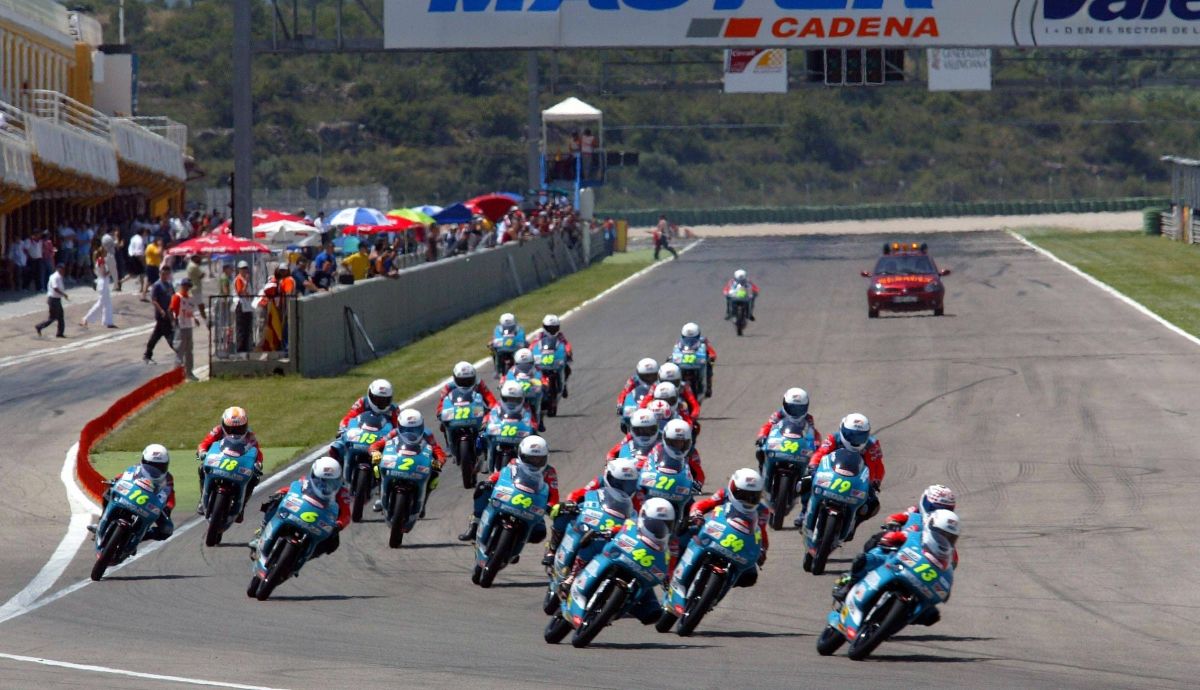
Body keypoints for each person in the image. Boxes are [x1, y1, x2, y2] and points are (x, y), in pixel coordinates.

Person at [831, 510, 961, 628]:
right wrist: (889, 538)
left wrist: (945, 588)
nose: (944, 539)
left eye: (949, 537)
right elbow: (894, 535)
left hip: (921, 581)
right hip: (897, 563)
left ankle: (892, 623)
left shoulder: (952, 555)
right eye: (941, 534)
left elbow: (948, 572)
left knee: (932, 616)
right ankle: (850, 584)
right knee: (863, 559)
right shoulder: (917, 532)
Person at [457, 434, 559, 545]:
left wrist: (550, 506)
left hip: (531, 507)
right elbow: (501, 474)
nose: (534, 462)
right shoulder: (514, 463)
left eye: (539, 459)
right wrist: (490, 481)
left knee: (539, 534)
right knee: (482, 488)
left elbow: (554, 494)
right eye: (530, 458)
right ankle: (475, 524)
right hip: (509, 496)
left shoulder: (550, 472)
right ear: (521, 455)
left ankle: (515, 544)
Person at [546, 456, 641, 569]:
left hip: (616, 526)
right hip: (594, 514)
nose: (624, 488)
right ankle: (552, 549)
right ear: (609, 477)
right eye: (619, 483)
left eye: (629, 485)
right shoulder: (600, 481)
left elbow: (638, 518)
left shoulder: (637, 495)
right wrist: (571, 503)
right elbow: (581, 493)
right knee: (563, 513)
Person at [799, 412, 884, 532]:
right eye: (851, 435)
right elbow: (820, 453)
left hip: (856, 480)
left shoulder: (872, 445)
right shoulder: (834, 438)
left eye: (860, 436)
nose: (855, 440)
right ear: (842, 430)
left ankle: (853, 524)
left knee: (873, 505)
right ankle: (804, 511)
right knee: (806, 481)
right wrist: (813, 466)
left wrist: (875, 482)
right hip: (831, 474)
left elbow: (877, 466)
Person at [249, 457, 350, 558]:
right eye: (322, 481)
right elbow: (294, 488)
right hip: (300, 508)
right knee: (276, 501)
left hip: (321, 520)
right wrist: (281, 492)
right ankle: (262, 531)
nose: (325, 487)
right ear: (314, 475)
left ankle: (303, 556)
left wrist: (338, 525)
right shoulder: (306, 480)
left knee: (333, 543)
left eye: (331, 482)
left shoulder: (343, 492)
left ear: (338, 481)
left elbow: (346, 513)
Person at [688, 468, 769, 587]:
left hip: (738, 545)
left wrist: (762, 550)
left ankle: (719, 588)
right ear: (733, 489)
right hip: (714, 534)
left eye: (753, 496)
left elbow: (762, 533)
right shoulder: (723, 494)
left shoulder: (763, 511)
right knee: (685, 535)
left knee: (750, 577)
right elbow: (704, 504)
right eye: (742, 495)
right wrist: (696, 514)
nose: (748, 500)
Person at [88, 444, 176, 542]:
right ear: (143, 461)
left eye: (160, 466)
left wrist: (168, 508)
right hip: (131, 495)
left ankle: (138, 538)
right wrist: (115, 480)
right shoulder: (136, 468)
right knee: (108, 493)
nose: (155, 470)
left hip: (152, 505)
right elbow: (124, 476)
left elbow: (170, 494)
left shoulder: (168, 479)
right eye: (150, 465)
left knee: (166, 530)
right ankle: (102, 523)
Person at [370, 409, 445, 516]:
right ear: (400, 426)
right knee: (376, 467)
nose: (411, 433)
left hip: (417, 463)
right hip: (396, 461)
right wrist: (375, 452)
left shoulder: (427, 434)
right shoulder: (394, 433)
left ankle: (422, 503)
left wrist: (439, 461)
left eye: (416, 429)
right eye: (406, 429)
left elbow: (438, 451)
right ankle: (381, 496)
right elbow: (377, 445)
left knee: (434, 475)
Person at [196, 406, 265, 517]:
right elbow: (203, 444)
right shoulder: (217, 430)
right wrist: (202, 453)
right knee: (201, 468)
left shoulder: (250, 435)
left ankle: (241, 506)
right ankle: (202, 498)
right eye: (231, 429)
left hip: (239, 463)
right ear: (224, 425)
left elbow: (258, 452)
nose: (235, 432)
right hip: (218, 460)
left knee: (254, 478)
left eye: (239, 429)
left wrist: (258, 464)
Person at [755, 387, 819, 470]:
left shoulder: (809, 419)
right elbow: (768, 425)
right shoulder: (778, 414)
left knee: (811, 465)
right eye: (792, 408)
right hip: (779, 441)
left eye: (800, 409)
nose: (796, 412)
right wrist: (762, 436)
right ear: (785, 404)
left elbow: (813, 432)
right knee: (760, 451)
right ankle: (762, 467)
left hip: (798, 446)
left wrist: (817, 443)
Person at [527, 314, 573, 397]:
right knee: (533, 371)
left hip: (556, 358)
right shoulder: (540, 335)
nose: (552, 330)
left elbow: (566, 344)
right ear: (545, 327)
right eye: (550, 328)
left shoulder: (560, 336)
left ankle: (564, 384)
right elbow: (534, 344)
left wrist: (568, 351)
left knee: (567, 370)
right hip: (543, 358)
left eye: (554, 328)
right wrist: (529, 351)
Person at [170, 277, 203, 381]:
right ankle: (177, 375)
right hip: (180, 327)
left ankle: (189, 372)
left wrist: (195, 319)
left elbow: (189, 311)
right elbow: (171, 310)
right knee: (180, 351)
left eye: (188, 286)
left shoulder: (189, 298)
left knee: (189, 351)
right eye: (186, 286)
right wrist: (173, 321)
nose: (187, 288)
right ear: (182, 286)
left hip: (188, 326)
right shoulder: (177, 297)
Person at [675, 322, 717, 398]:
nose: (689, 340)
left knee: (709, 364)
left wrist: (711, 356)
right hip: (683, 361)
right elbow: (676, 351)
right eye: (686, 338)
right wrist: (671, 358)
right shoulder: (679, 343)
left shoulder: (703, 341)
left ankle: (709, 387)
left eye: (693, 338)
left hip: (698, 360)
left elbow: (711, 350)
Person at [143, 266, 175, 364]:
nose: (165, 276)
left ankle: (147, 355)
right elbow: (154, 300)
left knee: (156, 335)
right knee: (170, 335)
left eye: (167, 274)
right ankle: (180, 353)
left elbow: (173, 297)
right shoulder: (157, 285)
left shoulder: (169, 285)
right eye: (163, 274)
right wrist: (161, 310)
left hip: (168, 314)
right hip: (161, 315)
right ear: (160, 274)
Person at [80, 246, 116, 329]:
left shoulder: (100, 260)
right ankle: (86, 318)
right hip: (102, 282)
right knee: (101, 302)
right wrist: (111, 270)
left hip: (104, 282)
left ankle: (108, 321)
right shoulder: (101, 260)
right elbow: (104, 273)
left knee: (108, 303)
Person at [35, 263, 69, 338]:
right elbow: (55, 288)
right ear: (58, 269)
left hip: (57, 299)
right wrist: (63, 294)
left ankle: (60, 333)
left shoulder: (59, 276)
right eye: (62, 269)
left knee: (60, 316)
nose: (63, 270)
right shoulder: (55, 277)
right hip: (53, 300)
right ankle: (39, 326)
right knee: (52, 318)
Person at [233, 261, 253, 354]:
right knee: (241, 328)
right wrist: (246, 283)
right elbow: (241, 292)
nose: (245, 270)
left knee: (247, 328)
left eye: (246, 268)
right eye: (243, 268)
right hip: (241, 305)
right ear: (239, 269)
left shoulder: (245, 280)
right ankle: (240, 349)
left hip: (247, 306)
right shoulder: (239, 279)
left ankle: (246, 348)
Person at [186, 254, 207, 320]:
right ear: (195, 258)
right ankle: (204, 318)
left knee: (193, 304)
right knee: (200, 305)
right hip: (196, 288)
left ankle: (189, 318)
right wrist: (204, 273)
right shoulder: (194, 266)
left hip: (192, 287)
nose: (200, 259)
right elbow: (201, 275)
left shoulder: (190, 264)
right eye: (198, 257)